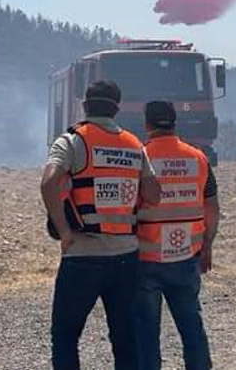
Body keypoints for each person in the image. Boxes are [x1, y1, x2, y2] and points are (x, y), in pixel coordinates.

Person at [41, 80, 161, 370]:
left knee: (66, 336)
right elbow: (154, 195)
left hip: (82, 255)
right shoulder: (135, 145)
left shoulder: (72, 140)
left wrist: (64, 230)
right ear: (116, 108)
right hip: (125, 257)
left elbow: (48, 183)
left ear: (85, 104)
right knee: (125, 339)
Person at [133, 100, 219, 370]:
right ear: (174, 123)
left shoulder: (140, 157)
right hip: (186, 257)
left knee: (146, 334)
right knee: (192, 327)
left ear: (146, 124)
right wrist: (207, 246)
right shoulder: (198, 157)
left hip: (146, 258)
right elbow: (212, 206)